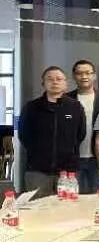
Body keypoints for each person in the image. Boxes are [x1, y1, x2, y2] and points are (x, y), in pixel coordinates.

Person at [19, 66, 86, 197]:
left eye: (59, 79)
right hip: (38, 171)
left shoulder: (75, 107)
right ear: (43, 83)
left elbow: (80, 134)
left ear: (65, 84)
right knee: (38, 206)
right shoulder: (31, 107)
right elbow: (24, 135)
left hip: (68, 170)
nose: (55, 82)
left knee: (67, 206)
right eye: (50, 79)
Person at [67, 60, 99, 193]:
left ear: (94, 75)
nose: (84, 76)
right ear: (74, 76)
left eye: (88, 73)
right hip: (73, 159)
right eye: (80, 73)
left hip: (98, 159)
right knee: (74, 197)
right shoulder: (66, 99)